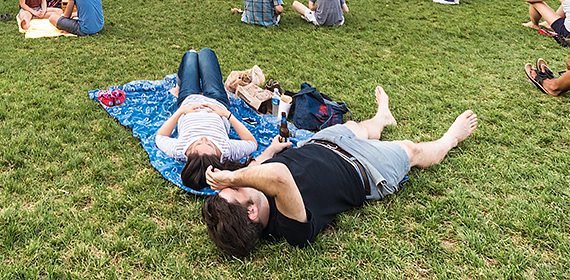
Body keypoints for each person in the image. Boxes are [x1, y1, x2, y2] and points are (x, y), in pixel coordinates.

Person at [202, 87, 478, 256]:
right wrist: (232, 177)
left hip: (323, 143)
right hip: (365, 167)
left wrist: (272, 149)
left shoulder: (254, 190)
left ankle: (382, 117)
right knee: (410, 149)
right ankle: (451, 139)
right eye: (236, 190)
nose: (238, 180)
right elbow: (278, 178)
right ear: (251, 212)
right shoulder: (289, 228)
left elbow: (260, 165)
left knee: (360, 127)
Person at [156, 47, 259, 189]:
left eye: (197, 144)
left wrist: (181, 112)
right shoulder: (226, 150)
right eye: (210, 145)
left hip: (188, 99)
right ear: (218, 156)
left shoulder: (180, 149)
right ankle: (224, 89)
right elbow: (252, 143)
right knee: (206, 53)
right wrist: (226, 115)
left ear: (189, 155)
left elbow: (160, 137)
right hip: (217, 100)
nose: (203, 139)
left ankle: (178, 87)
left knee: (190, 56)